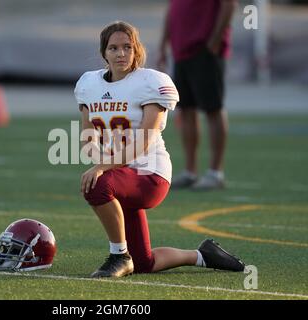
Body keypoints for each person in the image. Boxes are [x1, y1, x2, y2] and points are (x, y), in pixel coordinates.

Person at [74, 21, 245, 277]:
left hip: (149, 175)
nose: (121, 53)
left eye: (127, 47)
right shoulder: (89, 84)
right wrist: (100, 160)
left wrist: (102, 168)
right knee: (145, 263)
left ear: (137, 50)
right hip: (121, 176)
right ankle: (203, 255)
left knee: (98, 184)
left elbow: (142, 141)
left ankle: (118, 256)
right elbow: (88, 139)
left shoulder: (151, 82)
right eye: (113, 48)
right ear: (104, 53)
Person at [157, 0, 237, 191]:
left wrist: (215, 41)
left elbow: (229, 5)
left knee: (213, 109)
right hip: (181, 52)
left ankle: (215, 172)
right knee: (186, 111)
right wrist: (163, 45)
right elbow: (173, 9)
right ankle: (190, 171)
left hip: (205, 50)